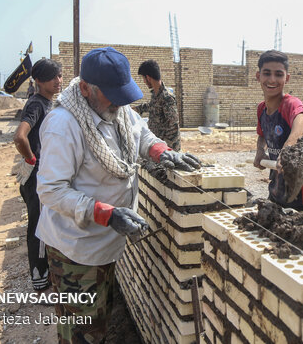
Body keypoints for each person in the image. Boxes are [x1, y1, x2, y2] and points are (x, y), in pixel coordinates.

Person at [35, 47, 201, 343]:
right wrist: (107, 213)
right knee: (81, 332)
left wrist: (162, 153)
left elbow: (143, 135)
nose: (120, 103)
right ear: (85, 88)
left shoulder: (118, 111)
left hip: (105, 246)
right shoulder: (63, 125)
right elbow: (51, 191)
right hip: (77, 251)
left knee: (101, 319)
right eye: (113, 94)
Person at [13, 58, 63, 291]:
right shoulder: (37, 105)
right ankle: (40, 282)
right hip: (36, 178)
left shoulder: (47, 103)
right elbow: (20, 137)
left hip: (43, 176)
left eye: (59, 75)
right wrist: (32, 158)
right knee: (39, 227)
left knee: (44, 224)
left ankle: (46, 274)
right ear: (39, 81)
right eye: (53, 77)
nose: (58, 80)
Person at [253, 50, 303, 211]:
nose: (272, 80)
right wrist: (260, 151)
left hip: (301, 201)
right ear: (258, 76)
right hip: (275, 194)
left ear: (286, 78)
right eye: (267, 73)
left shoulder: (290, 104)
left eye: (279, 74)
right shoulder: (262, 109)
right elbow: (262, 134)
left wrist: (287, 150)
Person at [132, 59, 181, 151]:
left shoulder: (167, 97)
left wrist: (166, 149)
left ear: (148, 78)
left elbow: (173, 126)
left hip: (166, 148)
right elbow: (152, 106)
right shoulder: (156, 94)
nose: (144, 82)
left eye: (143, 78)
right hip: (157, 144)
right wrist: (137, 109)